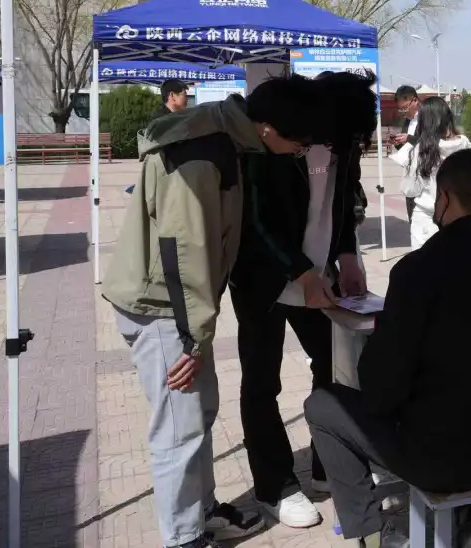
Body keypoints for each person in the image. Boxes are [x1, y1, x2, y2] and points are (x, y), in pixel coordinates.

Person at [102, 77, 317, 548]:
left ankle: (201, 512)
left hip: (177, 308)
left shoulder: (225, 138)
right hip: (163, 306)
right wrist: (193, 338)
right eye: (298, 145)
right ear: (267, 128)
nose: (298, 153)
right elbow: (183, 252)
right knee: (178, 430)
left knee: (199, 413)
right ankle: (183, 537)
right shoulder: (203, 152)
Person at [305, 149, 471, 548]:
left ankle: (373, 530)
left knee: (323, 404)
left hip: (437, 460)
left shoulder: (416, 270)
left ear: (443, 199)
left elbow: (381, 389)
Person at [228, 71, 377, 529]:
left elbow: (342, 202)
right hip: (265, 279)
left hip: (319, 274)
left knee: (334, 365)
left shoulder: (343, 143)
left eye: (351, 143)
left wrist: (346, 256)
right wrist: (301, 272)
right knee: (262, 381)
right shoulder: (276, 141)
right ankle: (274, 485)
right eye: (336, 139)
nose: (341, 149)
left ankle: (326, 461)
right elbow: (258, 221)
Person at [399, 96, 471, 248]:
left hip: (426, 220)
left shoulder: (421, 150)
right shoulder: (466, 145)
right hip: (460, 218)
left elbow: (409, 189)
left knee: (425, 262)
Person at [391, 85, 421, 220]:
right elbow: (407, 147)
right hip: (410, 174)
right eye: (400, 109)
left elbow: (431, 141)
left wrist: (408, 138)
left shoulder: (427, 118)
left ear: (415, 100)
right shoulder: (407, 121)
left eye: (405, 108)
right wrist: (398, 143)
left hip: (424, 174)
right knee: (412, 216)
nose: (403, 112)